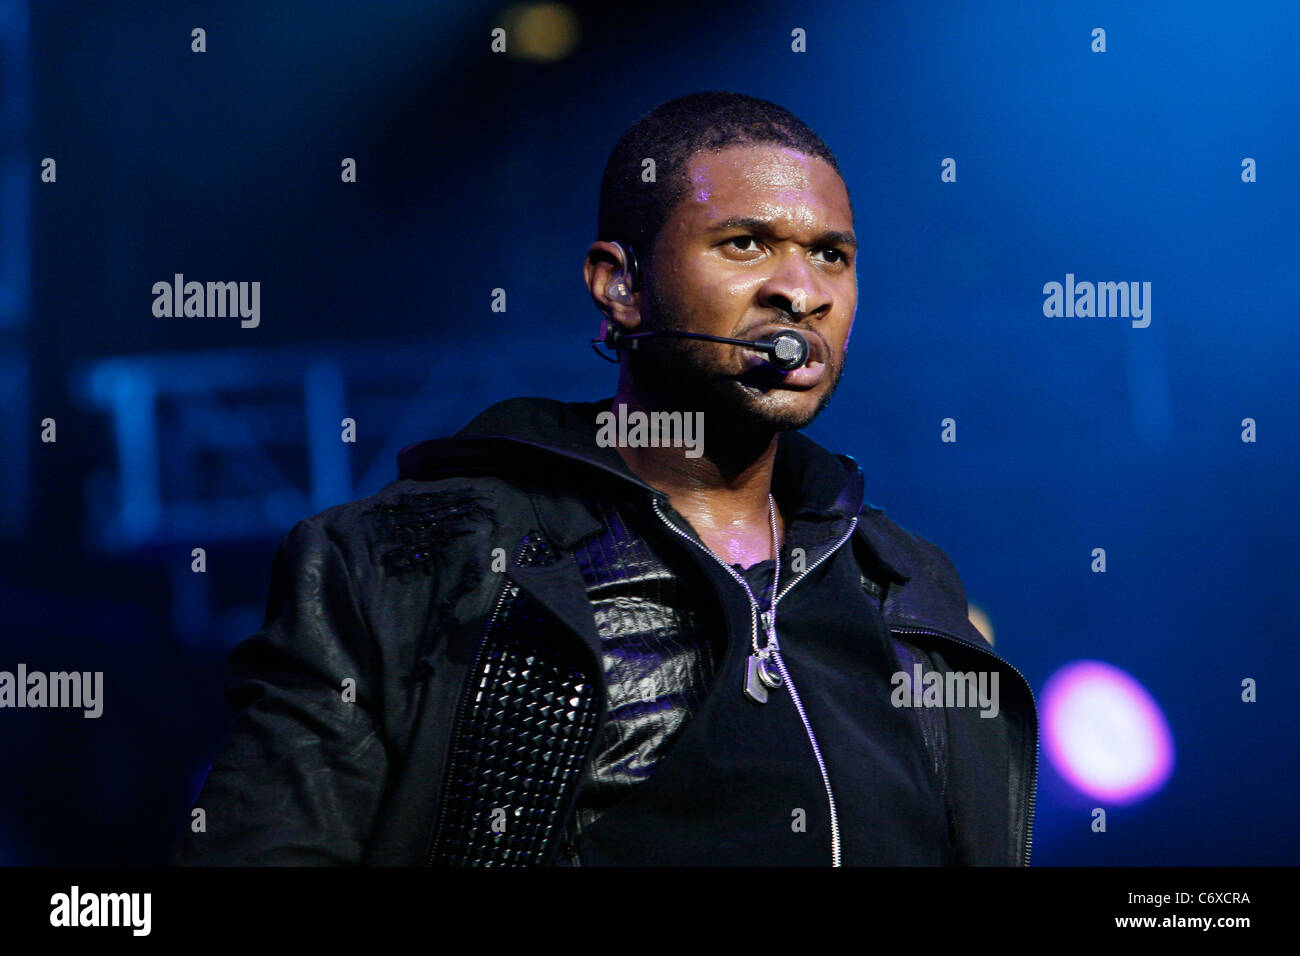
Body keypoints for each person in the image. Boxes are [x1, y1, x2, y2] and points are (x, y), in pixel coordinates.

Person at [172, 91, 1037, 867]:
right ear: (618, 285)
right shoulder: (406, 561)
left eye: (831, 256)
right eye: (745, 244)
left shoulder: (905, 585)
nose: (799, 292)